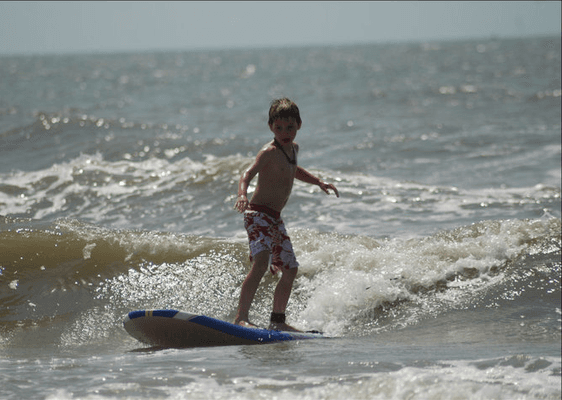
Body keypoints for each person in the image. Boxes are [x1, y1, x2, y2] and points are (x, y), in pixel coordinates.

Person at [233, 98, 339, 331]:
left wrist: (318, 181)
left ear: (299, 125)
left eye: (289, 127)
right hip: (257, 214)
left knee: (290, 268)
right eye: (279, 127)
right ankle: (241, 317)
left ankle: (277, 322)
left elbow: (293, 169)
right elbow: (247, 174)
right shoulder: (268, 152)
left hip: (274, 219)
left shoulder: (293, 150)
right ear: (271, 127)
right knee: (261, 262)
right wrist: (242, 194)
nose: (284, 132)